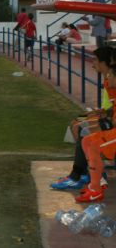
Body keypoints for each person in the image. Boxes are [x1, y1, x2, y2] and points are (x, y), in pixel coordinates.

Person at [51, 47, 116, 191]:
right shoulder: (107, 79)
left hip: (108, 117)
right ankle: (86, 171)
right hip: (104, 113)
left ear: (104, 63)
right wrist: (100, 112)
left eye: (95, 60)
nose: (92, 63)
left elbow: (111, 109)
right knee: (75, 121)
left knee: (81, 128)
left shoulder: (111, 79)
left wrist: (103, 113)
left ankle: (78, 175)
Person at [78, 53, 116, 202]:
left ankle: (94, 188)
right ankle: (97, 181)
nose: (108, 79)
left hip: (111, 127)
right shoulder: (110, 86)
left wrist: (107, 119)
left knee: (92, 142)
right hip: (111, 126)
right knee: (86, 139)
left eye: (111, 76)